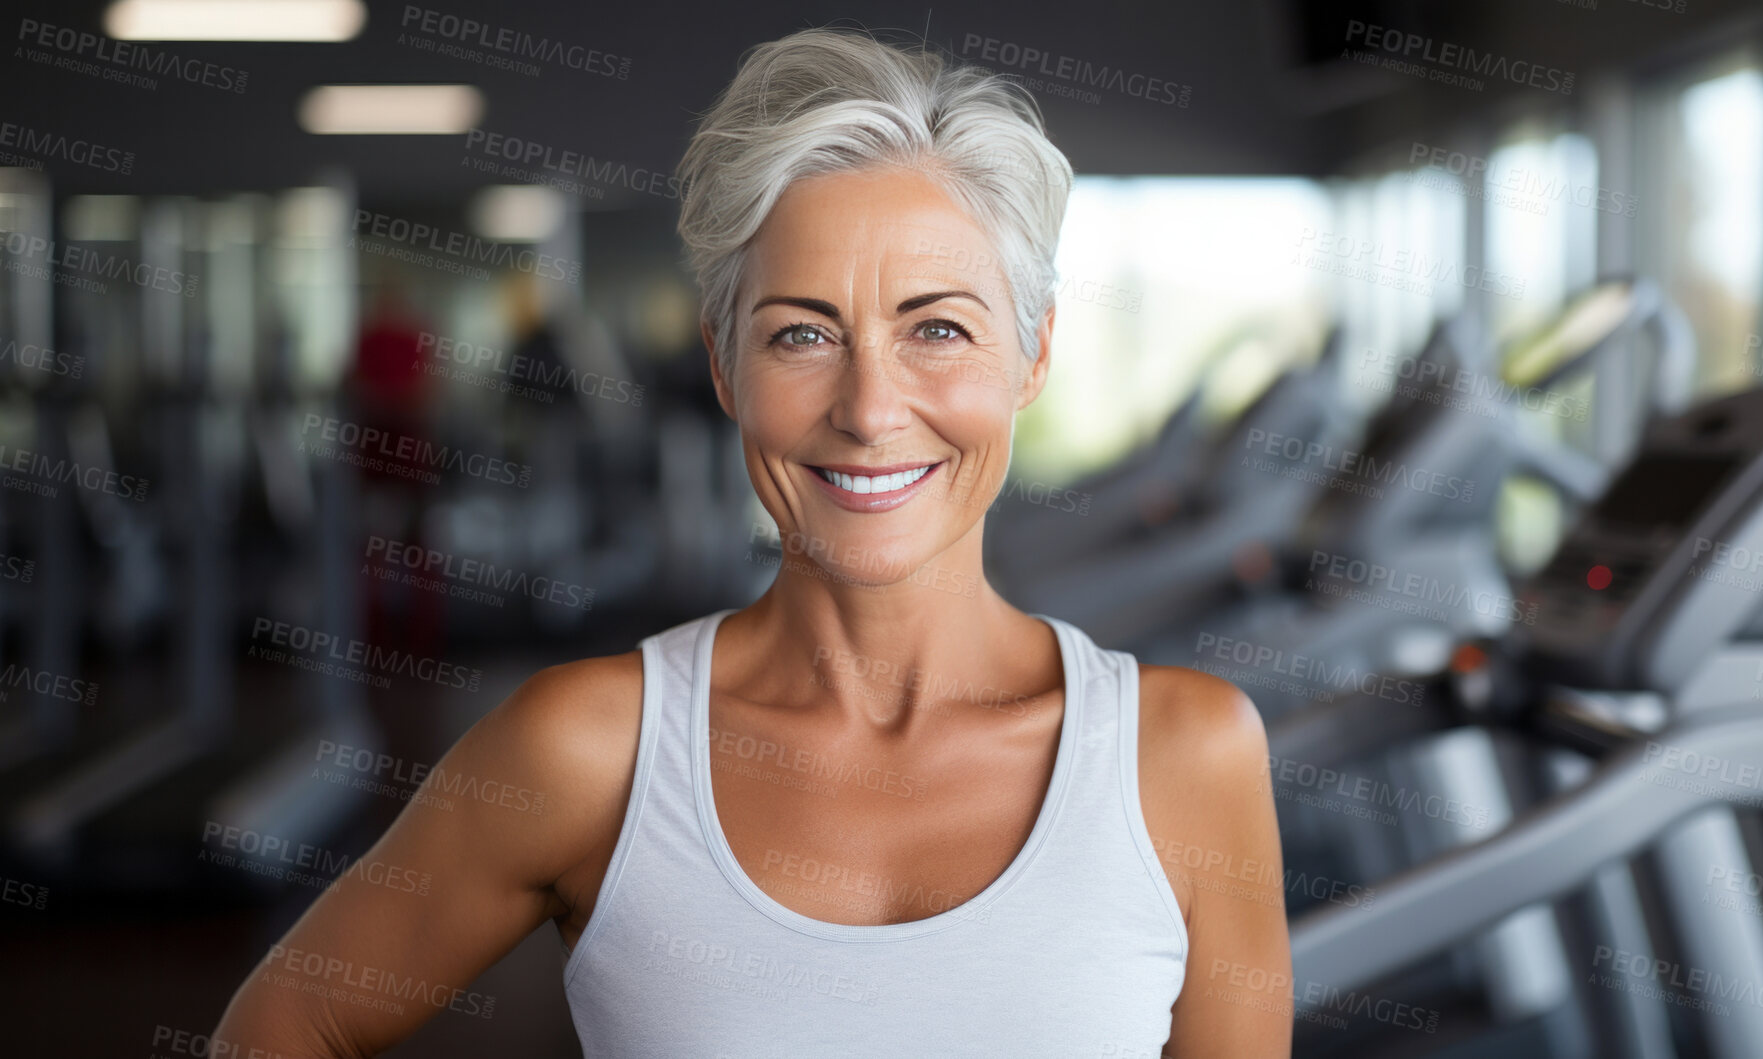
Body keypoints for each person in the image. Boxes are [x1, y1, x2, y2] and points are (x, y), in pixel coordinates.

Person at [213, 25, 1290, 1058]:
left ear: (1031, 355)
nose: (869, 409)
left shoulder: (1185, 760)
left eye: (938, 328)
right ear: (725, 366)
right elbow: (286, 1027)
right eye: (802, 333)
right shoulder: (586, 752)